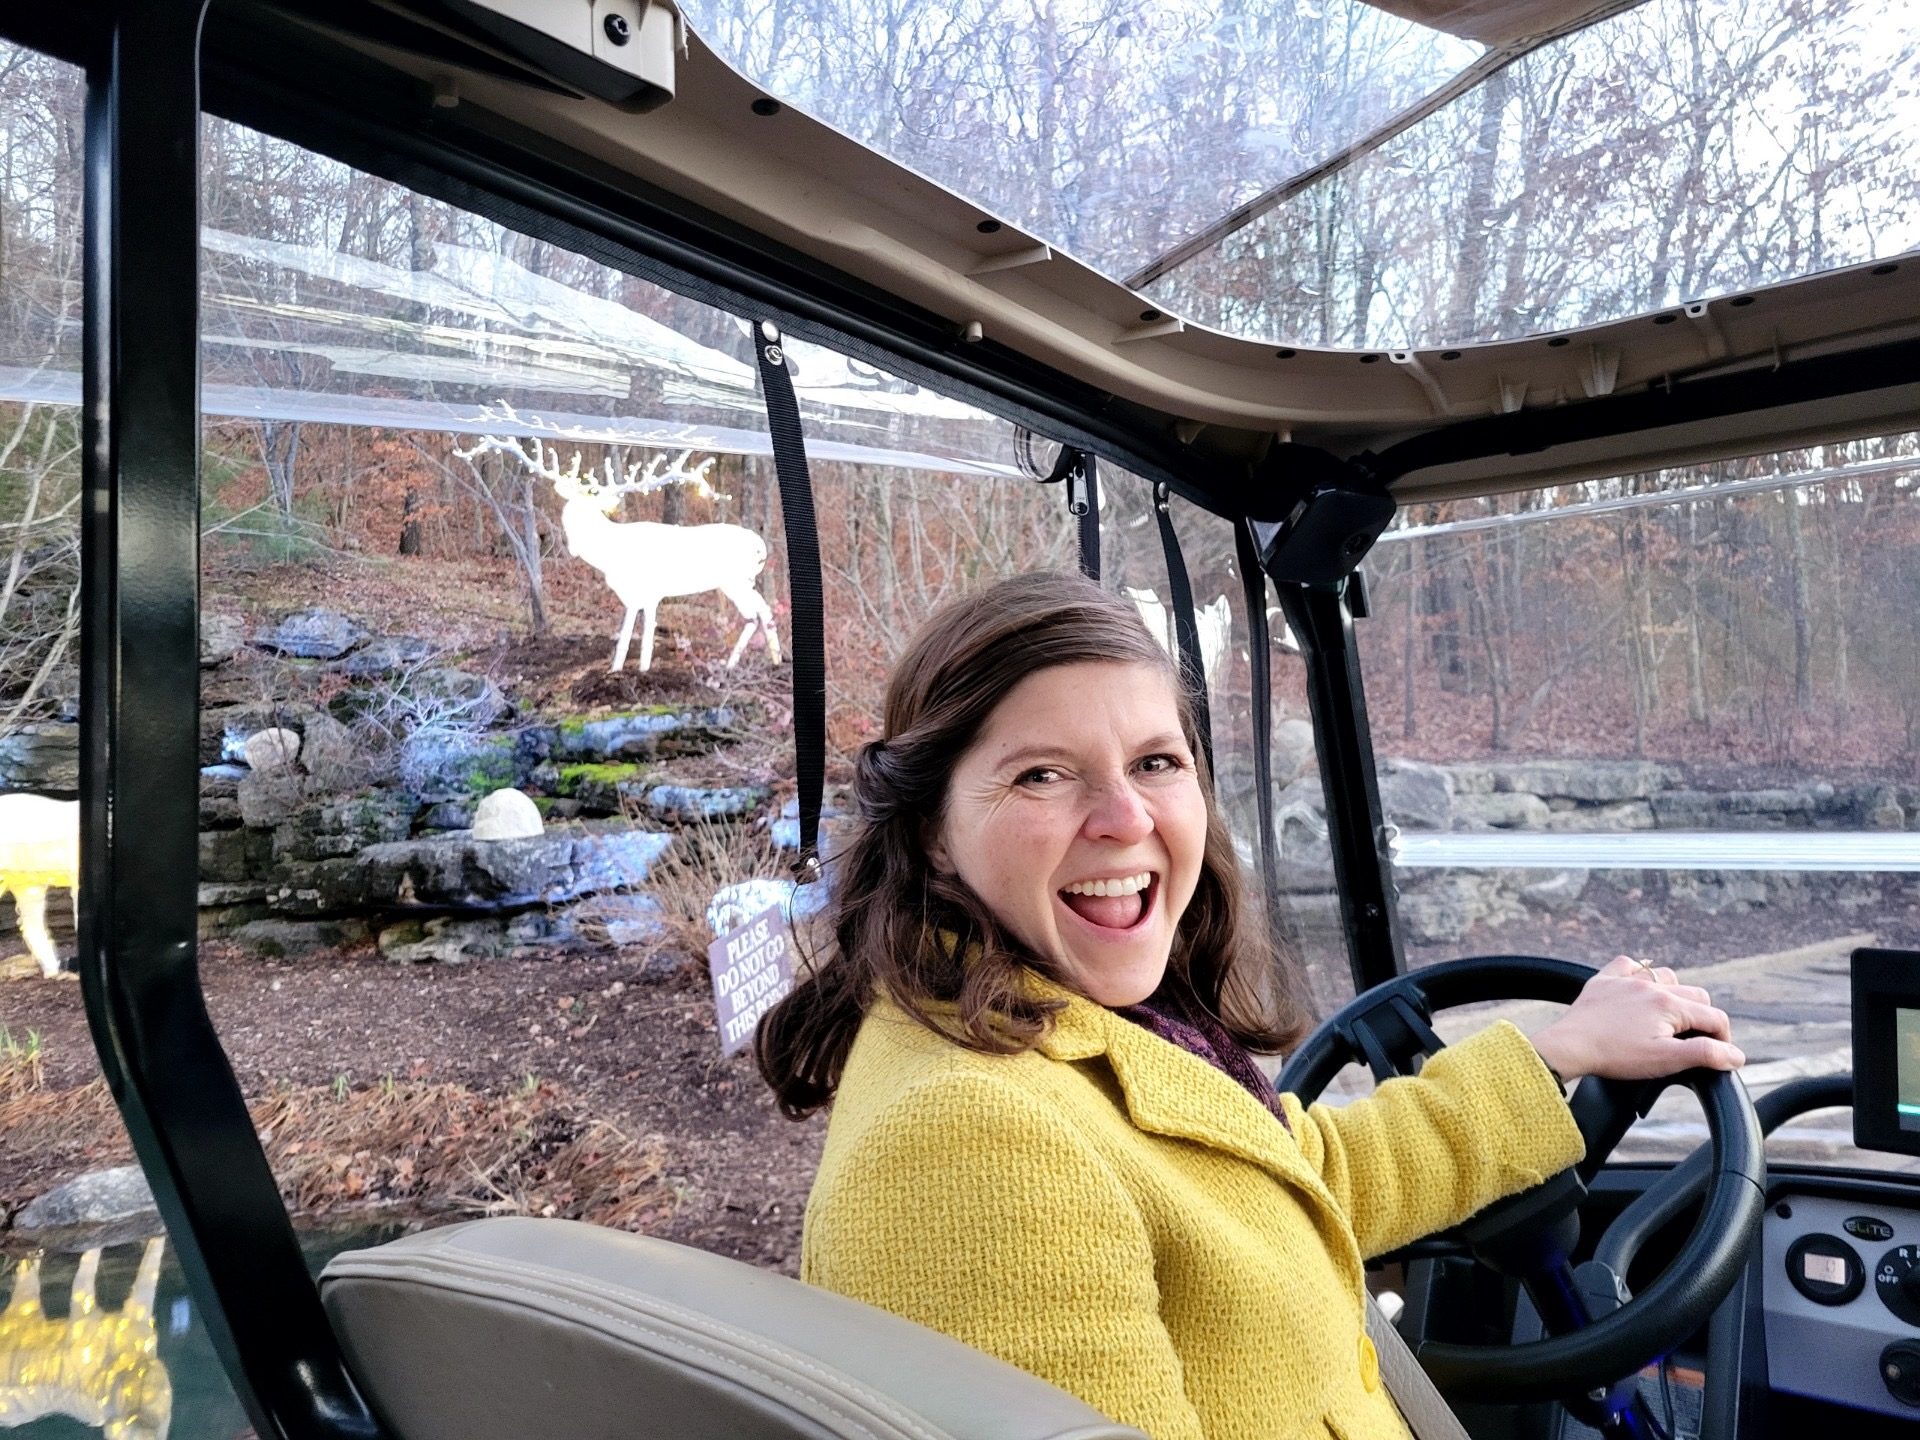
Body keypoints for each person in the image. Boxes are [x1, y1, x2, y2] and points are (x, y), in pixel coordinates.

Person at [756, 572, 1743, 1440]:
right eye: (1043, 774)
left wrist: (1558, 1051)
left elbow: (1300, 1178)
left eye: (1156, 762)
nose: (1126, 818)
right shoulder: (970, 1145)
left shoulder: (1072, 1030)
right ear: (932, 832)